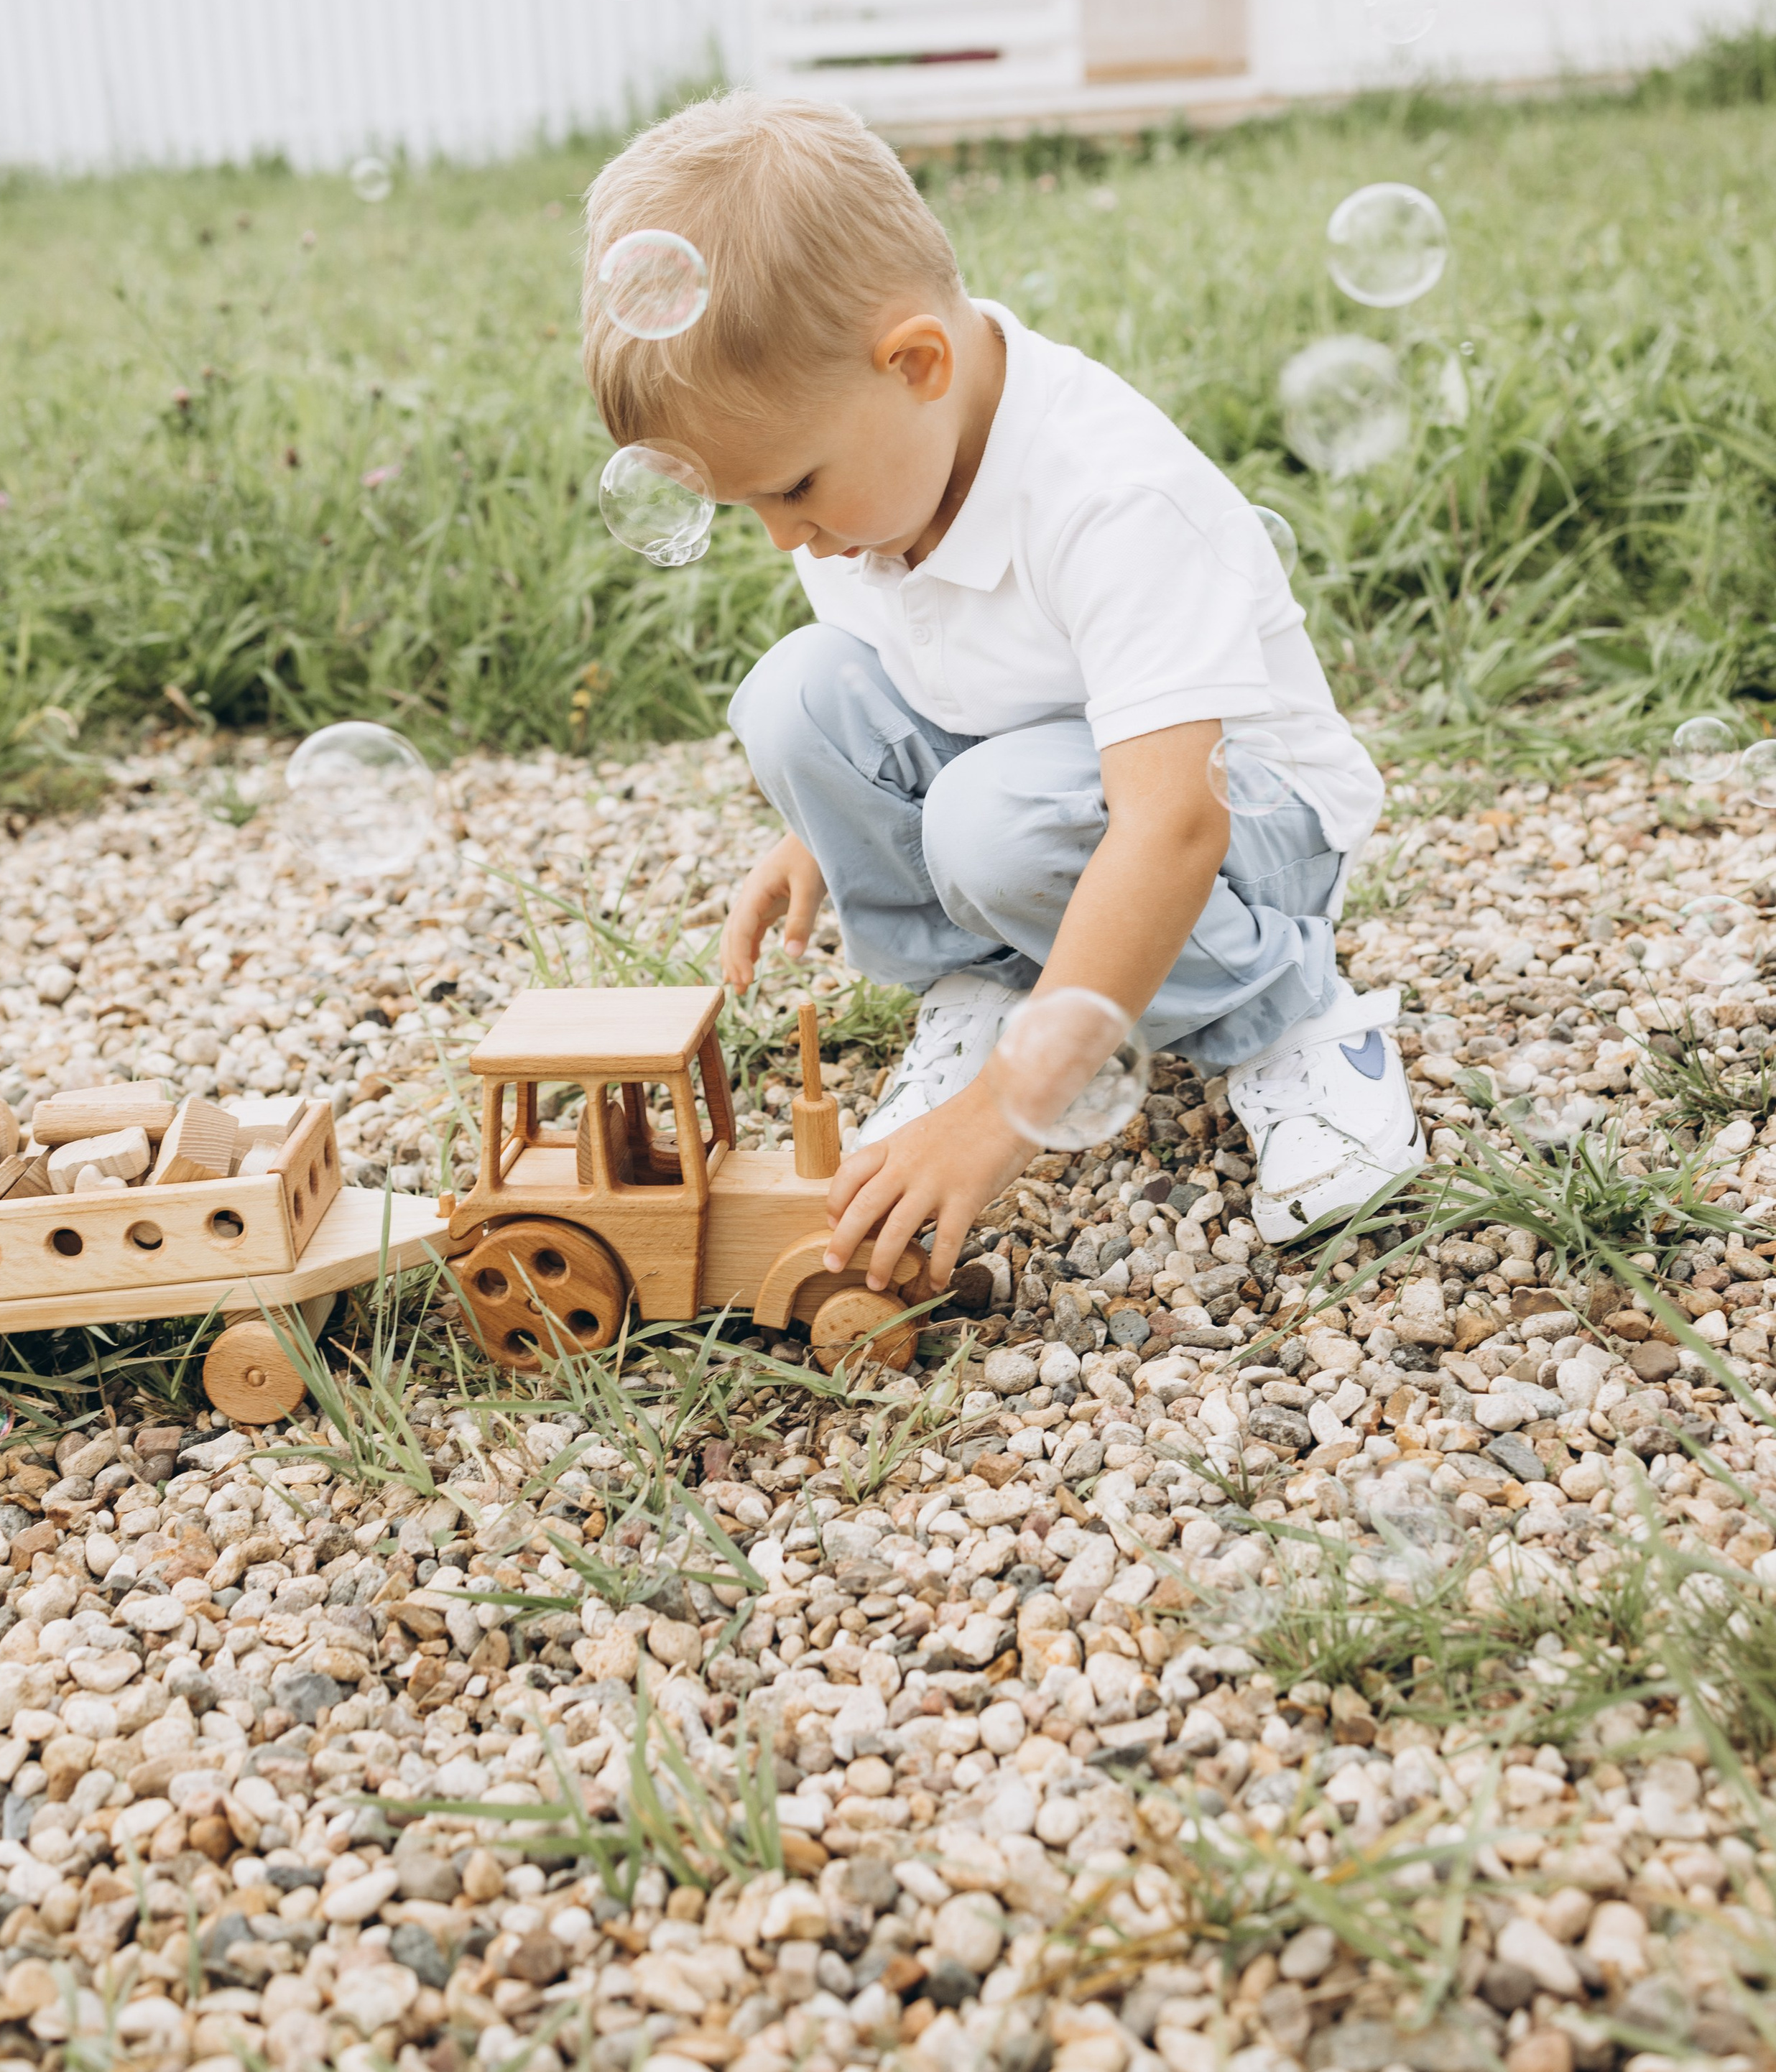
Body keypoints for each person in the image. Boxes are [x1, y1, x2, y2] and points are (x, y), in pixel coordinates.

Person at [581, 91, 1420, 1298]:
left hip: (1248, 822)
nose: (783, 539)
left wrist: (1002, 1115)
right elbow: (904, 691)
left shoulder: (1106, 494)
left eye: (794, 488)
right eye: (750, 506)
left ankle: (1291, 1020)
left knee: (995, 823)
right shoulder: (882, 489)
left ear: (916, 363)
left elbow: (1174, 821)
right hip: (1034, 782)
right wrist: (815, 826)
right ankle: (992, 977)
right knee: (793, 699)